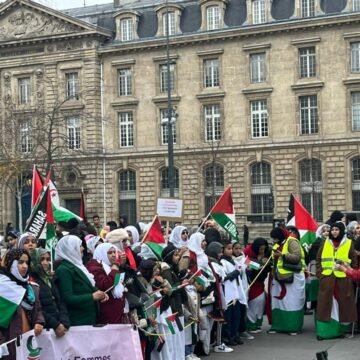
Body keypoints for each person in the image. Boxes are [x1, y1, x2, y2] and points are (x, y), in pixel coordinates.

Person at [316, 221, 358, 340]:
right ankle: (324, 332)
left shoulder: (349, 243)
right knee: (325, 306)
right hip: (327, 279)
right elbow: (318, 259)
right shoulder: (325, 243)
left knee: (342, 306)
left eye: (337, 230)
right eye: (332, 230)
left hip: (343, 280)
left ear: (341, 231)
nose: (334, 232)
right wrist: (320, 274)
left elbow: (354, 261)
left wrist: (350, 273)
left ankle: (340, 331)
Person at [0, 249, 44, 360]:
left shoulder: (31, 288)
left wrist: (39, 322)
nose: (24, 266)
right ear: (10, 264)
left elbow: (38, 309)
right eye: (20, 262)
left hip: (28, 340)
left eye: (27, 262)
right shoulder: (2, 287)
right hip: (8, 342)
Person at [55, 235, 108, 326]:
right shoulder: (63, 269)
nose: (83, 248)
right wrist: (92, 297)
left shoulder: (78, 265)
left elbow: (87, 286)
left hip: (89, 318)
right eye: (79, 246)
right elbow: (68, 298)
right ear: (71, 249)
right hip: (78, 321)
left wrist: (100, 293)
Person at [268, 226, 305, 335]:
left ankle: (293, 327)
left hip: (292, 277)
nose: (274, 240)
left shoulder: (292, 242)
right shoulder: (276, 245)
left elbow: (296, 257)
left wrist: (283, 255)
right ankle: (278, 326)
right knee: (278, 303)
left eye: (275, 238)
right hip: (278, 277)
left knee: (292, 303)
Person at [29, 248, 70, 337]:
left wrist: (64, 321)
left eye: (48, 259)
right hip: (44, 329)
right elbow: (36, 308)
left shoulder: (50, 278)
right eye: (42, 259)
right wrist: (55, 324)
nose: (45, 262)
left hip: (59, 325)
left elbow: (60, 301)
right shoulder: (31, 280)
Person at [86, 243, 127, 324]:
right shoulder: (94, 267)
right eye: (109, 253)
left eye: (114, 252)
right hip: (106, 312)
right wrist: (115, 269)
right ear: (101, 253)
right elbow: (104, 285)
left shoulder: (108, 266)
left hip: (115, 311)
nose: (114, 255)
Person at [243, 237, 270, 334]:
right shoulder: (248, 253)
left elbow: (267, 269)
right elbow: (247, 266)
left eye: (264, 249)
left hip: (260, 283)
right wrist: (259, 263)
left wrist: (266, 264)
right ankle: (251, 324)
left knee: (261, 303)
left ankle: (258, 323)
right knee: (254, 303)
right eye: (260, 249)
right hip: (252, 283)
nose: (262, 251)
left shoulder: (266, 255)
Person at [220, 241, 245, 346]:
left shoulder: (233, 261)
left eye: (231, 249)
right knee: (228, 316)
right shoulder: (222, 262)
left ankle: (235, 334)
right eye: (228, 249)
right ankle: (228, 336)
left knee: (237, 316)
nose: (230, 251)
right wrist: (234, 274)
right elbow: (222, 277)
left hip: (236, 293)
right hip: (228, 293)